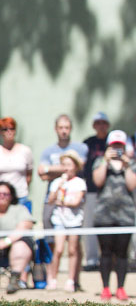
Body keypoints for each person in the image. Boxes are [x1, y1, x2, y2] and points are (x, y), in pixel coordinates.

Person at [37, 115, 87, 279]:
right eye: (61, 127)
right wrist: (65, 168)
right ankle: (51, 277)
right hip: (52, 201)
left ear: (70, 129)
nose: (64, 131)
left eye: (67, 127)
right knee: (52, 241)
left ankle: (74, 279)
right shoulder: (48, 151)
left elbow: (79, 169)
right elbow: (41, 174)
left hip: (74, 204)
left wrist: (51, 170)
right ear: (56, 129)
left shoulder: (81, 148)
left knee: (74, 244)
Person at [92, 130, 136, 301]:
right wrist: (105, 161)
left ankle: (120, 288)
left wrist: (126, 165)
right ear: (109, 146)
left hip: (125, 215)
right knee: (105, 252)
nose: (117, 149)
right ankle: (105, 288)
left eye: (120, 146)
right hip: (103, 215)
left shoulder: (131, 164)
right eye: (114, 146)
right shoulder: (99, 161)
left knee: (122, 253)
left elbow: (132, 185)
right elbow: (98, 181)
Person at [47, 149, 86, 292]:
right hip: (59, 220)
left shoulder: (79, 183)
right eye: (64, 164)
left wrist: (63, 202)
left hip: (74, 221)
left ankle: (71, 280)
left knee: (72, 250)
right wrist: (59, 186)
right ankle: (53, 278)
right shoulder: (57, 182)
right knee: (58, 249)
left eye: (69, 164)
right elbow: (51, 200)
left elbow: (76, 202)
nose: (67, 168)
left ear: (75, 166)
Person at [81, 112, 111, 270]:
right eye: (98, 123)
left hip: (111, 191)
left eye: (104, 123)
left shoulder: (113, 142)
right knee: (90, 225)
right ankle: (92, 260)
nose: (101, 126)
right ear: (94, 125)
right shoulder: (88, 143)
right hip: (92, 190)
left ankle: (111, 258)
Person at [0, 180, 35, 294]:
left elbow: (25, 226)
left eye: (6, 194)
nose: (2, 196)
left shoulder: (19, 209)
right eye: (0, 193)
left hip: (13, 244)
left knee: (20, 246)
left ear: (11, 196)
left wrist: (5, 242)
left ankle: (14, 279)